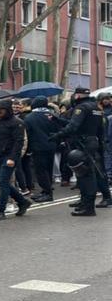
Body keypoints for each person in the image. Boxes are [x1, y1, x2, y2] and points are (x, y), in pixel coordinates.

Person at [52, 86, 110, 216]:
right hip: (94, 142)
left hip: (83, 143)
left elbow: (73, 126)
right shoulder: (96, 108)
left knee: (86, 175)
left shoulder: (81, 108)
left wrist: (57, 135)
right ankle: (85, 203)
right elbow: (100, 128)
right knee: (91, 173)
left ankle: (88, 207)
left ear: (77, 96)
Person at [0, 99, 32, 221]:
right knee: (3, 183)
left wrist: (13, 158)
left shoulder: (17, 123)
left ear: (7, 110)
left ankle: (0, 210)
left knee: (3, 182)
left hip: (9, 157)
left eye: (1, 110)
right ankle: (22, 201)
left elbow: (19, 142)